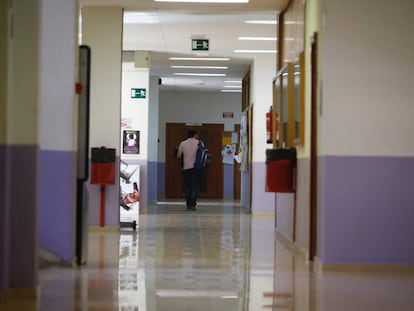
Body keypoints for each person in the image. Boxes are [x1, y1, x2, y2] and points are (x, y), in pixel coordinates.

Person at [176, 129, 201, 211]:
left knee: (187, 187)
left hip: (186, 168)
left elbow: (178, 156)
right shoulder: (199, 143)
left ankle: (188, 204)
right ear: (195, 135)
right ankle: (193, 204)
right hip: (196, 168)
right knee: (194, 187)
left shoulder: (183, 143)